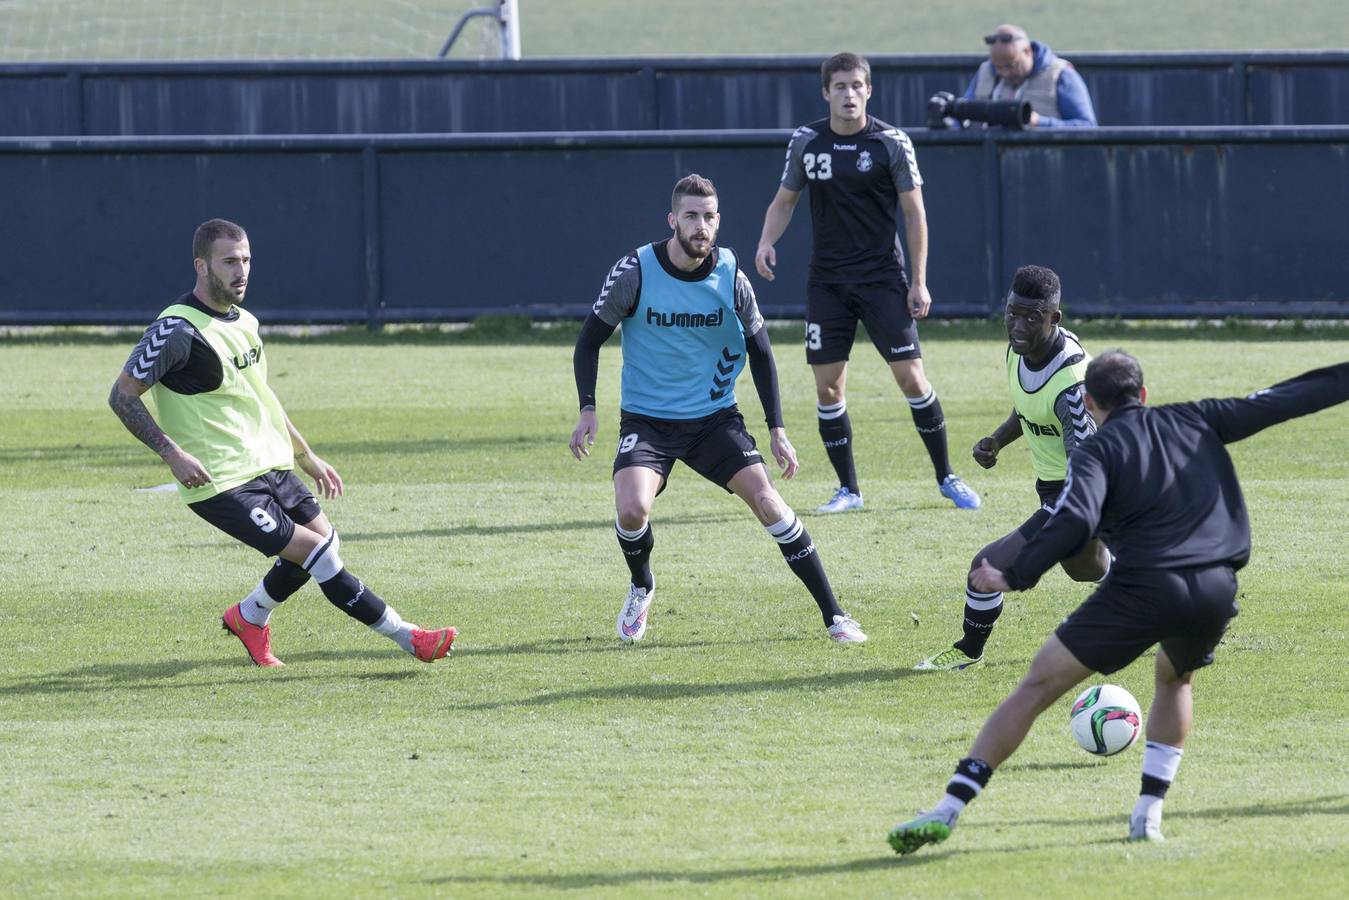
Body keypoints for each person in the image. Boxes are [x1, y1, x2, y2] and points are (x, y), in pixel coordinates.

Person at [888, 353, 1349, 852]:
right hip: (1216, 588)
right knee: (1175, 678)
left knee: (1037, 687)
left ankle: (949, 808)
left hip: (1144, 587)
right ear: (1144, 394)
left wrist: (1013, 574)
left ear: (1089, 403)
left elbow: (1073, 520)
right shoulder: (1197, 416)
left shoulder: (1096, 451)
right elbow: (1285, 400)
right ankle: (1147, 816)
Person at [108, 218, 457, 668]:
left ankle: (249, 617)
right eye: (229, 261)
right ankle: (410, 638)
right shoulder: (175, 330)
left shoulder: (245, 321)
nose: (241, 271)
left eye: (247, 260)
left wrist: (304, 453)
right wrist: (171, 453)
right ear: (201, 265)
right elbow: (121, 396)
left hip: (268, 464)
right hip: (221, 481)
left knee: (327, 543)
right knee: (316, 554)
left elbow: (260, 395)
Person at [570, 174, 866, 644]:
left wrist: (777, 428)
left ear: (718, 221)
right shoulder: (636, 272)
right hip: (648, 422)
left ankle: (836, 616)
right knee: (631, 511)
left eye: (709, 217)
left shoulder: (730, 276)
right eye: (690, 216)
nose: (700, 226)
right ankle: (642, 584)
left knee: (770, 502)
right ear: (672, 220)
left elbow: (762, 351)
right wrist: (588, 408)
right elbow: (588, 342)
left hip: (713, 421)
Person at [756, 52, 980, 515]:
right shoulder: (806, 141)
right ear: (826, 92)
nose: (849, 94)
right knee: (828, 389)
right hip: (828, 284)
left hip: (882, 279)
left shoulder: (891, 143)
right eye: (840, 86)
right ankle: (849, 491)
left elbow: (915, 215)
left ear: (869, 91)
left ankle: (947, 477)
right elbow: (784, 200)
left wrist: (919, 281)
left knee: (912, 378)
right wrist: (765, 242)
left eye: (857, 86)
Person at [915, 266, 1108, 672]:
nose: (1017, 326)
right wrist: (997, 440)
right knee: (1086, 571)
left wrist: (1043, 544)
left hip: (1082, 493)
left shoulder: (1073, 384)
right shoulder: (1020, 349)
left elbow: (1087, 466)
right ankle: (1152, 586)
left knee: (985, 567)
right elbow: (1028, 408)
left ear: (1054, 318)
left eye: (1030, 317)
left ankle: (968, 651)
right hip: (1059, 490)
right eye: (1011, 313)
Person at [961, 24, 1097, 128]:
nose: (1004, 73)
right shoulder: (985, 71)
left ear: (1027, 51)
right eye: (998, 68)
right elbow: (963, 114)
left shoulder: (1060, 74)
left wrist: (1038, 122)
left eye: (1010, 66)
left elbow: (1087, 126)